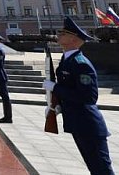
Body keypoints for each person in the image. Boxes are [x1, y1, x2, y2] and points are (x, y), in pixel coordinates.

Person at [43, 17, 114, 175]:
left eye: (63, 33)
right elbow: (70, 90)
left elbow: (89, 97)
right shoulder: (66, 60)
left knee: (102, 169)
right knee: (93, 167)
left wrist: (55, 87)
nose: (58, 35)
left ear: (73, 39)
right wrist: (57, 106)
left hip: (88, 124)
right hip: (76, 122)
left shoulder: (81, 63)